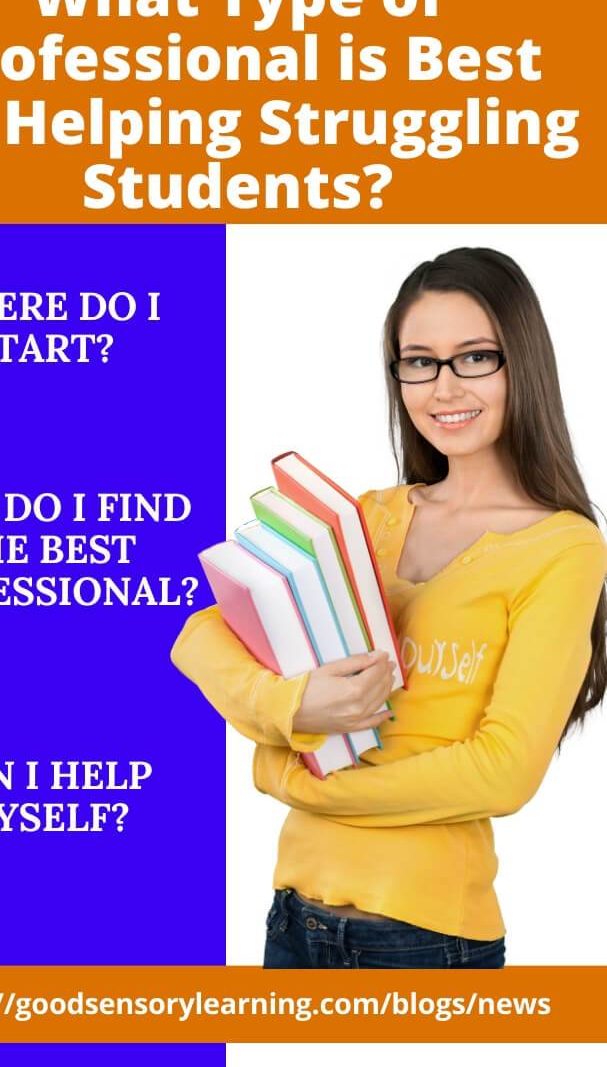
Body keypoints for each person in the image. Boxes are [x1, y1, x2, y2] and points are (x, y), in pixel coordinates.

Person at [170, 247, 607, 969]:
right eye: (418, 361)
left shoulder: (561, 548)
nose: (443, 386)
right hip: (293, 917)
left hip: (423, 937)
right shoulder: (363, 519)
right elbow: (201, 632)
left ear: (521, 362)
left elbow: (502, 771)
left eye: (474, 357)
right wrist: (289, 707)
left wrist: (293, 779)